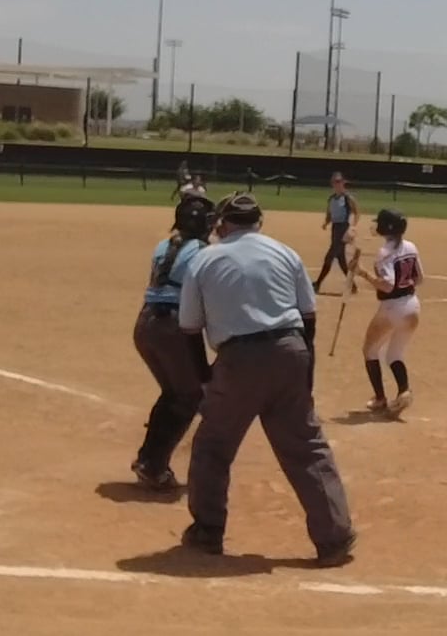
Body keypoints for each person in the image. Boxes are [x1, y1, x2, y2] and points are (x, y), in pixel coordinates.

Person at [178, 192, 356, 567]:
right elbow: (308, 317)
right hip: (291, 350)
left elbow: (190, 328)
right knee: (307, 447)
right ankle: (334, 539)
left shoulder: (205, 259)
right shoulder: (285, 253)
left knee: (213, 445)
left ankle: (208, 531)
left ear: (223, 223)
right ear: (259, 221)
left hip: (239, 358)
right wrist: (305, 371)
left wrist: (205, 378)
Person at [130, 194, 217, 491]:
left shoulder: (164, 245)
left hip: (146, 325)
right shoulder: (203, 251)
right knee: (190, 396)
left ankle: (147, 459)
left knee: (173, 394)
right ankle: (153, 466)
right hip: (171, 328)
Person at [350, 208, 423, 418]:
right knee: (394, 355)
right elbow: (419, 278)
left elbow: (388, 286)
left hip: (392, 308)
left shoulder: (385, 253)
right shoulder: (411, 247)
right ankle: (403, 392)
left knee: (369, 351)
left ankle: (380, 398)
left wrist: (362, 273)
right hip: (412, 306)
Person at [313, 172, 360, 292]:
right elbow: (330, 214)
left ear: (343, 183)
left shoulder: (347, 198)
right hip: (335, 229)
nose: (336, 184)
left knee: (330, 256)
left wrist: (353, 227)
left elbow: (356, 212)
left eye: (339, 181)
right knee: (341, 259)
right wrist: (326, 223)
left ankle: (318, 283)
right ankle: (352, 285)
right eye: (334, 182)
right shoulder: (331, 199)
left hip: (343, 229)